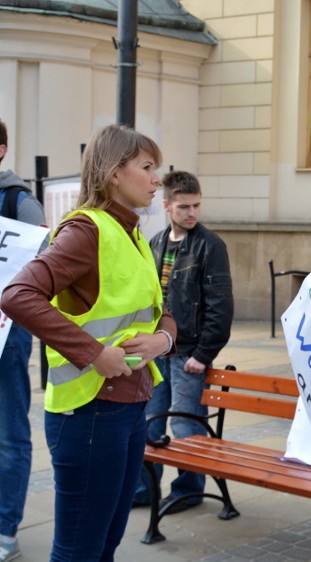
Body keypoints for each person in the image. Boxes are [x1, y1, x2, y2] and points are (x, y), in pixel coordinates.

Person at [1, 124, 177, 562]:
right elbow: (16, 295)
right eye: (148, 167)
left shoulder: (132, 232)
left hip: (128, 408)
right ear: (114, 173)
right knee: (80, 550)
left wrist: (162, 341)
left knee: (104, 544)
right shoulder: (87, 230)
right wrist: (94, 353)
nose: (158, 178)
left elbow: (161, 312)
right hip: (92, 412)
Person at [133, 170, 233, 513]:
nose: (192, 213)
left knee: (187, 424)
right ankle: (145, 488)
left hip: (188, 353)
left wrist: (204, 355)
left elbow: (221, 307)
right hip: (157, 350)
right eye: (184, 207)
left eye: (196, 206)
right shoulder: (156, 242)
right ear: (167, 206)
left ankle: (189, 489)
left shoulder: (210, 246)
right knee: (152, 420)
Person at [0, 118, 47, 562]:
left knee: (10, 434)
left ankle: (6, 531)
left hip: (6, 338)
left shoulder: (19, 201)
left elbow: (47, 262)